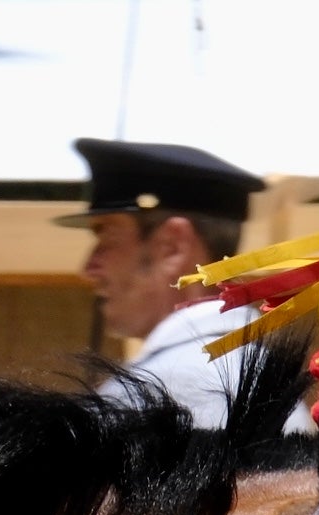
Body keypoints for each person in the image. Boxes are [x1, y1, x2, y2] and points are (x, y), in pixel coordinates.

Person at [60, 138, 267, 426]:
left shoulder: (154, 395)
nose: (89, 268)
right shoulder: (263, 375)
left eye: (107, 237)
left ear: (173, 246)